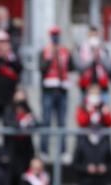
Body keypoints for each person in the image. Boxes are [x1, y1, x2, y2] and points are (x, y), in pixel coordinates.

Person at [37, 26, 73, 160]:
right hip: (48, 91)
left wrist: (71, 53)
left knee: (62, 122)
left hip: (62, 89)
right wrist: (50, 56)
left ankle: (63, 151)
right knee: (46, 121)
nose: (55, 38)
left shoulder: (64, 51)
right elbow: (41, 68)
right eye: (53, 35)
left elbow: (71, 67)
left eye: (57, 35)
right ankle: (44, 150)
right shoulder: (44, 51)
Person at [0, 29, 23, 121]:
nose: (3, 44)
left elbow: (19, 68)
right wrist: (2, 56)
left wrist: (8, 57)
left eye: (5, 41)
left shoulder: (12, 56)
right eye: (0, 41)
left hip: (10, 97)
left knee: (9, 122)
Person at [76, 26, 111, 99]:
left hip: (101, 84)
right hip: (86, 84)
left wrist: (99, 56)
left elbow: (109, 67)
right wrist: (92, 59)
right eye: (91, 35)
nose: (93, 37)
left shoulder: (103, 48)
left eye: (95, 35)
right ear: (88, 35)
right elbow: (79, 67)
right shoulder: (82, 48)